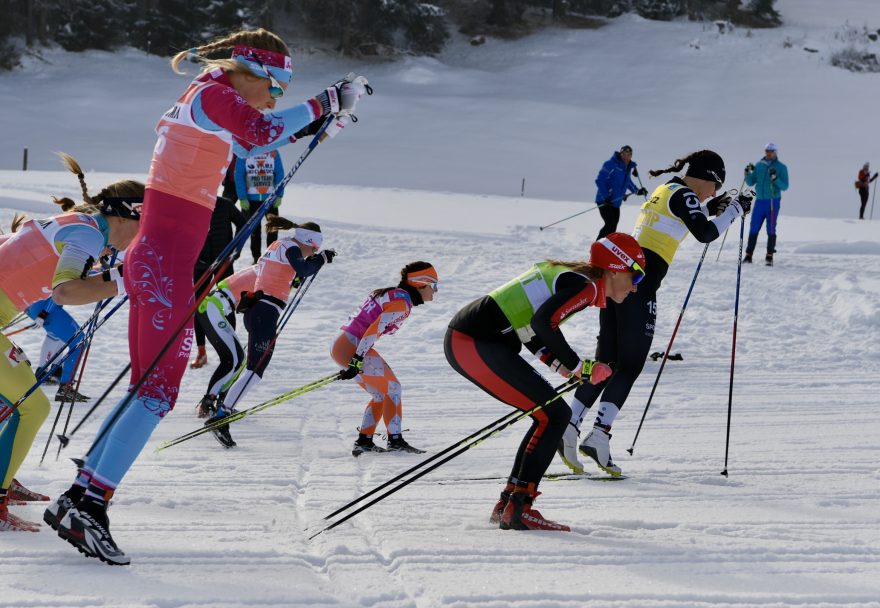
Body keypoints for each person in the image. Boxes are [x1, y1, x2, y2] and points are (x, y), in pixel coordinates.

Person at [46, 28, 367, 565]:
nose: (274, 100)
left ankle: (81, 497)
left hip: (161, 263)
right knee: (156, 394)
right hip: (165, 267)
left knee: (147, 389)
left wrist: (320, 127)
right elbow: (262, 130)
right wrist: (325, 100)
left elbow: (252, 144)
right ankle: (88, 503)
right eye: (276, 89)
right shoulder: (217, 92)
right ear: (254, 73)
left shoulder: (211, 96)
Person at [558, 150, 752, 477]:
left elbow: (686, 219)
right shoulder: (685, 195)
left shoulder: (667, 190)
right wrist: (733, 210)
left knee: (606, 360)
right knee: (629, 365)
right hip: (639, 287)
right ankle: (599, 435)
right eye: (716, 186)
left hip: (619, 281)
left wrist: (711, 209)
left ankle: (571, 426)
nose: (715, 193)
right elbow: (705, 233)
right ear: (706, 177)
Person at [444, 234, 644, 531]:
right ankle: (518, 507)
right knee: (555, 415)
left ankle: (510, 504)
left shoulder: (576, 281)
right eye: (635, 275)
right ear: (615, 268)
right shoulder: (586, 286)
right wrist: (581, 366)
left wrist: (567, 369)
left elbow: (531, 331)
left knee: (549, 415)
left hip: (474, 341)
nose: (635, 286)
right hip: (474, 342)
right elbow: (542, 324)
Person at [0, 153, 141, 532]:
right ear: (127, 217)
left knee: (15, 401)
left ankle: (3, 468)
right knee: (33, 406)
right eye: (142, 229)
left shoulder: (80, 224)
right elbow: (65, 292)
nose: (139, 240)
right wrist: (125, 282)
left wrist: (112, 272)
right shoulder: (88, 233)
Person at [205, 218, 334, 447]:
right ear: (307, 241)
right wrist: (321, 259)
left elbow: (289, 275)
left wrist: (314, 261)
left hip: (260, 311)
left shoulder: (280, 246)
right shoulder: (291, 247)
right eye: (313, 248)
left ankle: (223, 412)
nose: (312, 253)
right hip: (264, 312)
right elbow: (303, 270)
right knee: (255, 371)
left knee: (255, 369)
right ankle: (221, 416)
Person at [332, 262, 438, 456]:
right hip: (352, 345)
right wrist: (356, 360)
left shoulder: (394, 295)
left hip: (343, 343)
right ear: (421, 283)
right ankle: (395, 441)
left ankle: (364, 441)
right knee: (393, 388)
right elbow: (373, 330)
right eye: (435, 286)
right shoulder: (401, 303)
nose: (436, 292)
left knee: (382, 394)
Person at [193, 263, 258, 419]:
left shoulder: (264, 268)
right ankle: (208, 402)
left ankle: (222, 401)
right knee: (231, 360)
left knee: (240, 358)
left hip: (216, 308)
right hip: (212, 307)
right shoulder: (265, 272)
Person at [189, 195, 246, 369]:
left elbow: (244, 224)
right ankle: (201, 351)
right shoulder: (192, 203)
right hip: (200, 264)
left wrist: (235, 250)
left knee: (227, 304)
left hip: (224, 262)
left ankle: (231, 349)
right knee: (199, 306)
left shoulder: (224, 204)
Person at [26, 298, 90, 402]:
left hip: (43, 305)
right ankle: (65, 388)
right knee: (79, 342)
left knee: (57, 336)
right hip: (47, 306)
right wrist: (44, 313)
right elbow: (57, 290)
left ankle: (52, 370)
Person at [235, 150, 285, 264]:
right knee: (254, 231)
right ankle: (256, 258)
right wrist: (242, 197)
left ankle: (271, 256)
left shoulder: (273, 152)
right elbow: (239, 175)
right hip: (251, 200)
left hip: (271, 199)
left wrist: (279, 194)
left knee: (273, 229)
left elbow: (279, 173)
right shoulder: (244, 152)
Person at [743, 142, 789, 266]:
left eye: (771, 151)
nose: (768, 153)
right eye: (767, 151)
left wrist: (775, 179)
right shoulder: (759, 165)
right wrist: (747, 173)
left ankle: (769, 256)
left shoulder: (781, 167)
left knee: (771, 227)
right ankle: (748, 255)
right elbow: (751, 182)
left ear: (775, 152)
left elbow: (785, 186)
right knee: (754, 226)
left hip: (772, 201)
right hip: (760, 201)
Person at [594, 145, 648, 240]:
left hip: (615, 202)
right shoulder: (611, 164)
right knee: (609, 224)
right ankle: (596, 247)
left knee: (613, 227)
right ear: (620, 154)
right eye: (624, 154)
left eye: (629, 155)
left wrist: (637, 191)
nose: (626, 157)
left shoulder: (627, 168)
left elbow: (627, 182)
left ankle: (606, 249)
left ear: (631, 156)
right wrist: (606, 197)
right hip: (605, 200)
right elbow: (600, 180)